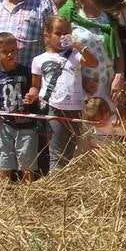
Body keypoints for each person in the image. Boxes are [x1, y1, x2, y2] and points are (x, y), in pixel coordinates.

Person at [31, 14, 99, 170]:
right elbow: (35, 85)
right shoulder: (39, 59)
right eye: (58, 33)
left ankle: (65, 184)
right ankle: (56, 187)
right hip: (54, 107)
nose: (62, 36)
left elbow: (93, 63)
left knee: (70, 152)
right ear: (47, 36)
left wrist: (78, 45)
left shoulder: (75, 55)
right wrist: (32, 93)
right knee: (57, 153)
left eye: (65, 33)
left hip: (74, 108)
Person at [0, 31, 39, 184]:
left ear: (17, 50)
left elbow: (34, 90)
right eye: (5, 52)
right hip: (6, 126)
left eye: (13, 51)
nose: (10, 55)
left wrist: (31, 96)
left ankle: (28, 195)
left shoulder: (25, 72)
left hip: (26, 126)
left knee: (27, 167)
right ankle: (1, 196)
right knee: (4, 164)